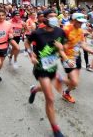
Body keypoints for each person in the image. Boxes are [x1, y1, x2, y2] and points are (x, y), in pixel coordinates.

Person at [25, 9, 73, 137]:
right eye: (50, 17)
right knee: (50, 98)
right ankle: (55, 129)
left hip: (52, 67)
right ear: (44, 19)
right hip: (40, 68)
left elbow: (66, 44)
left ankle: (34, 90)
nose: (54, 19)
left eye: (55, 16)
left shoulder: (60, 31)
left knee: (44, 88)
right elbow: (27, 43)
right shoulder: (37, 33)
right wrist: (31, 54)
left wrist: (63, 50)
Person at [59, 13, 93, 103]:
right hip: (67, 57)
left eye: (82, 22)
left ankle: (66, 92)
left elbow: (82, 44)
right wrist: (65, 56)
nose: (81, 24)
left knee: (75, 82)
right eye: (79, 22)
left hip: (77, 56)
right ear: (74, 21)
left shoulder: (80, 31)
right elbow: (60, 45)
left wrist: (91, 51)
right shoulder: (66, 29)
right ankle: (59, 80)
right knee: (75, 82)